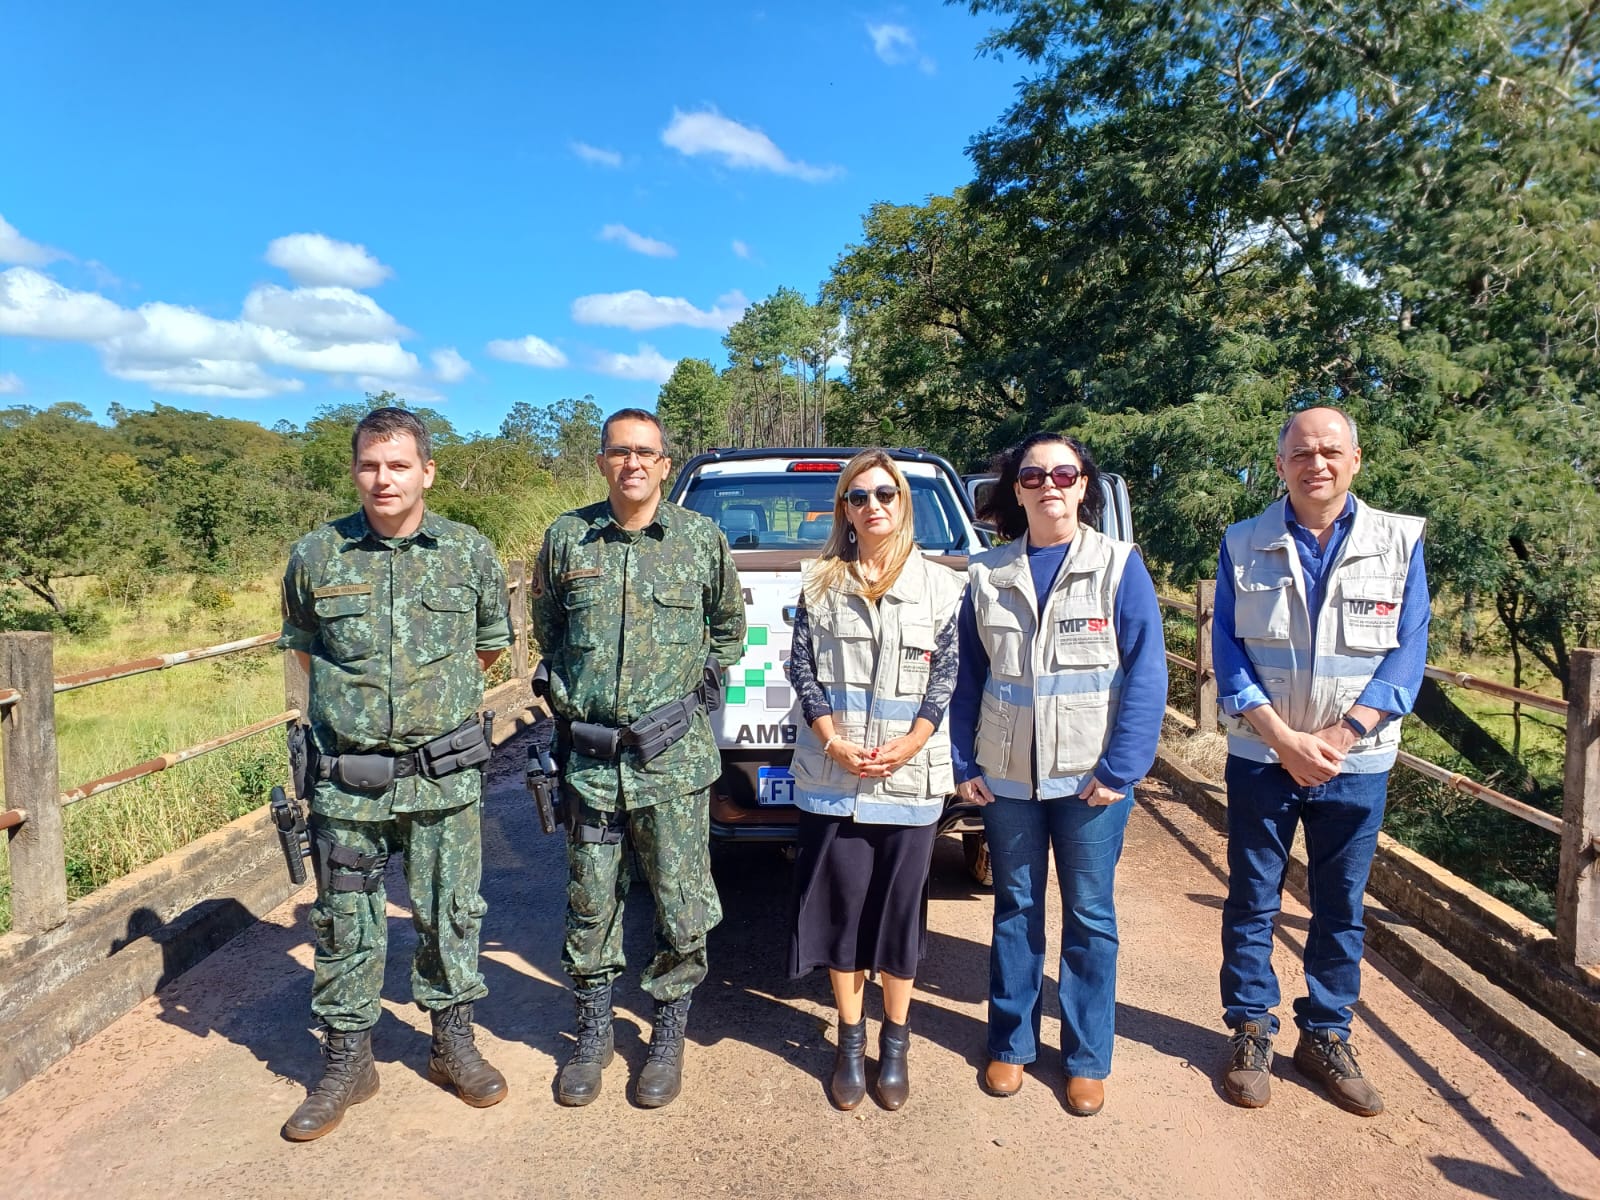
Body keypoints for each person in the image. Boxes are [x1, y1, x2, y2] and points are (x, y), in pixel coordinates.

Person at [278, 407, 511, 1141]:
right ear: (355, 472)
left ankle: (452, 1044)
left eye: (399, 465)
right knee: (345, 920)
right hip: (348, 781)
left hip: (442, 778)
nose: (384, 479)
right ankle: (349, 1061)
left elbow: (489, 646)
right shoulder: (317, 554)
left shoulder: (468, 552)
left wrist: (429, 713)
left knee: (450, 912)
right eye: (371, 465)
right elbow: (305, 649)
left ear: (426, 472)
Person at [1215, 407, 1429, 1118]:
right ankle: (1251, 1030)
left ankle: (1326, 1033)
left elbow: (1408, 652)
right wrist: (1282, 740)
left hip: (1355, 762)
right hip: (1262, 755)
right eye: (1302, 453)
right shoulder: (1242, 542)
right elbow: (1228, 651)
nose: (1317, 464)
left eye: (1331, 451)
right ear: (1281, 465)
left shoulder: (1398, 542)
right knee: (1252, 898)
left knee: (1341, 905)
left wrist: (1341, 736)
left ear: (1355, 460)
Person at [531, 408, 745, 1109]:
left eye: (646, 453)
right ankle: (592, 1034)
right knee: (590, 903)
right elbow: (549, 632)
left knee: (681, 906)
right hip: (591, 765)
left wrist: (694, 691)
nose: (633, 463)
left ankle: (667, 1035)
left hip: (672, 764)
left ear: (664, 464)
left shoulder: (700, 539)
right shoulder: (567, 538)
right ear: (602, 461)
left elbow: (728, 628)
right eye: (620, 451)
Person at [950, 432, 1166, 1117]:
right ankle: (1010, 1044)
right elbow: (967, 678)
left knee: (1091, 916)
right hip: (1007, 778)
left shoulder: (1119, 565)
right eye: (1034, 475)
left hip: (1090, 781)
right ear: (1016, 490)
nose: (1049, 485)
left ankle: (1086, 1057)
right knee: (1015, 910)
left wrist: (1121, 768)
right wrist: (963, 762)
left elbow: (1147, 673)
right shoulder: (986, 574)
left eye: (1064, 474)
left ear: (1083, 487)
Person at [784, 450, 965, 1112]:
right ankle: (849, 1040)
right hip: (833, 778)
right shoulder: (819, 583)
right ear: (845, 508)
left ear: (902, 502)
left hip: (908, 782)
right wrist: (833, 740)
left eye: (885, 494)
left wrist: (912, 743)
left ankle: (895, 1044)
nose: (873, 506)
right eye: (858, 496)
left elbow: (947, 675)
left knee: (897, 919)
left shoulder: (943, 586)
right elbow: (801, 669)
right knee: (842, 916)